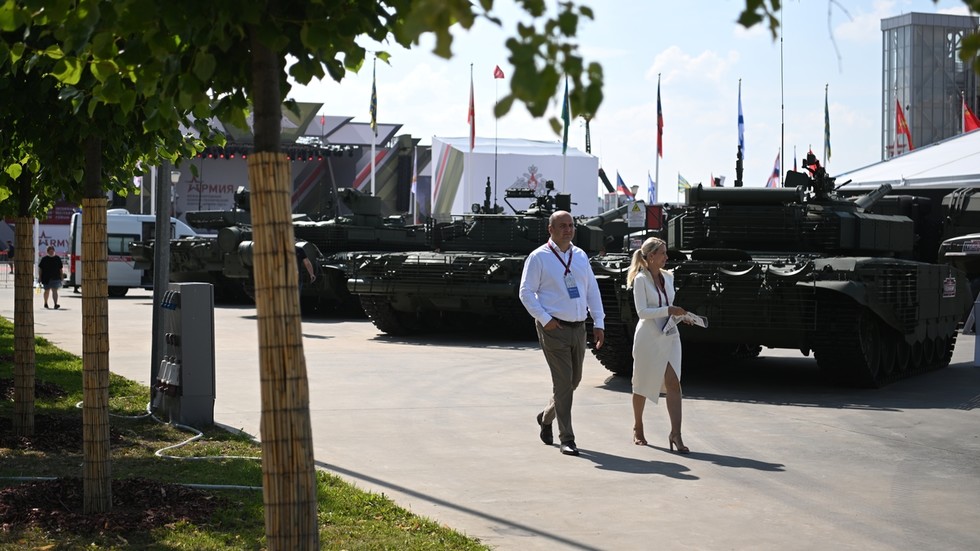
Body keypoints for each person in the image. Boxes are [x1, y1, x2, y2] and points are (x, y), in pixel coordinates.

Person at [519, 210, 605, 456]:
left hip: (578, 327)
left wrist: (599, 322)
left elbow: (592, 290)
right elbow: (526, 292)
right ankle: (567, 438)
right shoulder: (539, 258)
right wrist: (545, 319)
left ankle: (545, 417)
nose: (568, 229)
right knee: (563, 384)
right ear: (551, 229)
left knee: (573, 382)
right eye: (562, 226)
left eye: (571, 225)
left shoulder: (579, 256)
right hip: (553, 328)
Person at [627, 237, 690, 453]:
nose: (666, 257)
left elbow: (669, 306)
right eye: (662, 253)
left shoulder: (668, 277)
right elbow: (642, 312)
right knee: (642, 383)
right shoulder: (640, 279)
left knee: (674, 383)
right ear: (651, 256)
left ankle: (676, 434)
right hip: (649, 336)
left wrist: (683, 316)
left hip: (670, 335)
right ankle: (638, 426)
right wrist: (669, 311)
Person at [38, 245, 64, 310]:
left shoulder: (57, 258)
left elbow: (60, 269)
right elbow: (41, 269)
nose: (51, 252)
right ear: (47, 252)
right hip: (46, 278)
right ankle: (45, 303)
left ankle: (55, 304)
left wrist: (61, 276)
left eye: (52, 251)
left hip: (55, 277)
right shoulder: (44, 259)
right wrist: (40, 277)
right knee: (46, 291)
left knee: (55, 290)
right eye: (50, 251)